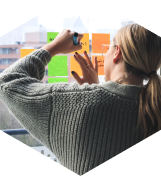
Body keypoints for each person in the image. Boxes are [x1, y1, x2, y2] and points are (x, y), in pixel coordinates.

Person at [0, 24, 160, 175]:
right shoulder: (155, 109)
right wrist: (95, 88)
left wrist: (54, 46)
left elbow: (7, 83)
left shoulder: (73, 104)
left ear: (117, 52)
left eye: (108, 48)